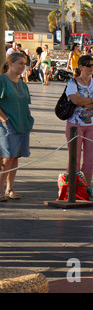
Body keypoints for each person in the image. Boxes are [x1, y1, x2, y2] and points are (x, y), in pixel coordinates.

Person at [65, 55, 93, 198]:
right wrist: (92, 100)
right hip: (75, 124)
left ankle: (87, 188)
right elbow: (74, 99)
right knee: (74, 157)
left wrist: (85, 102)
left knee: (90, 158)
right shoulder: (72, 82)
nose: (91, 68)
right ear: (80, 67)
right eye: (88, 65)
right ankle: (73, 188)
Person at [0, 52, 34, 201]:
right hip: (7, 125)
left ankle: (10, 188)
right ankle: (0, 189)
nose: (23, 66)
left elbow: (26, 103)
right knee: (7, 157)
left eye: (24, 64)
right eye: (20, 63)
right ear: (10, 63)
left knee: (15, 157)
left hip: (22, 124)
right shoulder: (2, 80)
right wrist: (4, 119)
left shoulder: (22, 84)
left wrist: (28, 120)